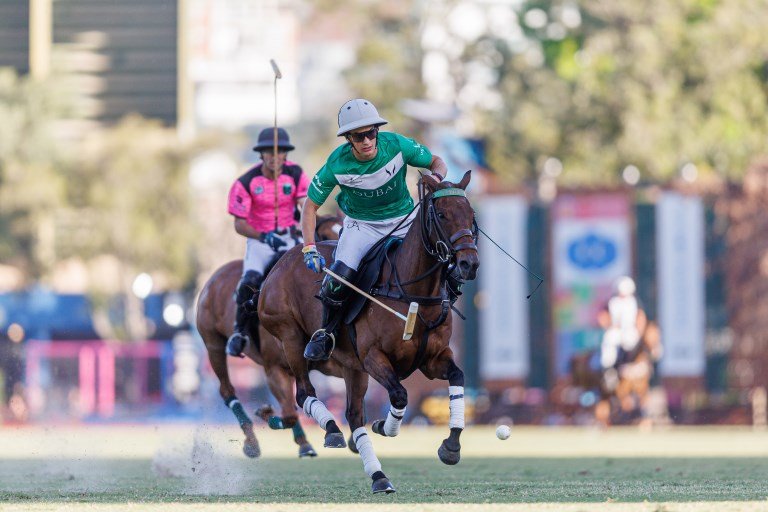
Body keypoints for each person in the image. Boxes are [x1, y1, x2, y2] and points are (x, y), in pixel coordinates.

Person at [299, 98, 449, 361]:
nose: (367, 141)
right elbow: (309, 208)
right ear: (348, 139)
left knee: (443, 255)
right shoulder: (336, 164)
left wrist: (435, 178)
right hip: (362, 225)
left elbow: (437, 162)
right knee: (338, 279)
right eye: (358, 137)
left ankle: (445, 310)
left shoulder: (398, 145)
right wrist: (309, 247)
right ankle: (327, 333)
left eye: (371, 133)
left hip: (404, 219)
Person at [225, 127, 310, 357]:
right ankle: (239, 332)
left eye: (279, 152)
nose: (275, 157)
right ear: (261, 155)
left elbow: (306, 205)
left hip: (291, 236)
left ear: (286, 154)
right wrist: (264, 236)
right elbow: (239, 224)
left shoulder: (295, 174)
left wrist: (304, 223)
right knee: (250, 280)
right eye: (269, 152)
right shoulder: (246, 182)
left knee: (315, 272)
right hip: (260, 240)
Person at [598, 276, 648, 390]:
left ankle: (631, 367)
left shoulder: (634, 302)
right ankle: (610, 372)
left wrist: (638, 331)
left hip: (630, 331)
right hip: (615, 330)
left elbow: (641, 318)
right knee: (609, 343)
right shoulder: (612, 302)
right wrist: (609, 325)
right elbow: (603, 317)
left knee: (632, 343)